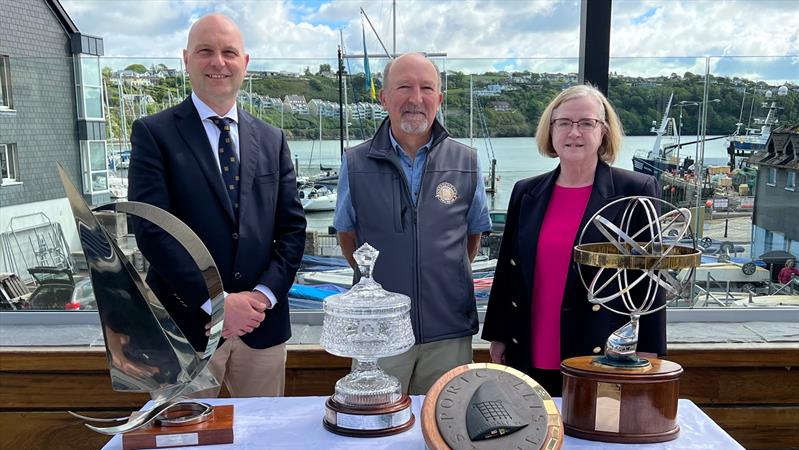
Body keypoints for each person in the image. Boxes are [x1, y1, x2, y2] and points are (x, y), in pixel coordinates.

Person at [129, 14, 306, 397]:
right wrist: (219, 304)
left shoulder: (272, 139)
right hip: (187, 330)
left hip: (263, 326)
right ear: (186, 59)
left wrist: (261, 296)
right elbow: (152, 232)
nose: (218, 62)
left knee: (262, 448)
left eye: (229, 52)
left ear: (245, 62)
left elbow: (292, 231)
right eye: (205, 51)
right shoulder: (153, 134)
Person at [482, 84, 665, 397]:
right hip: (529, 344)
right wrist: (498, 335)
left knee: (595, 440)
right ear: (551, 130)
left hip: (601, 348)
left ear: (604, 131)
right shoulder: (526, 192)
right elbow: (507, 270)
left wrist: (648, 350)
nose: (574, 132)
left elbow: (651, 278)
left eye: (586, 123)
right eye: (564, 122)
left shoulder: (636, 189)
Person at [334, 52, 491, 395]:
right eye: (404, 87)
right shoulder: (355, 162)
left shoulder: (467, 162)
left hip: (448, 331)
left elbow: (472, 237)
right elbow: (347, 236)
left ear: (439, 99)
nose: (415, 99)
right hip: (379, 334)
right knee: (375, 429)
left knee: (445, 432)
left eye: (426, 88)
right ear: (384, 97)